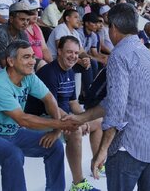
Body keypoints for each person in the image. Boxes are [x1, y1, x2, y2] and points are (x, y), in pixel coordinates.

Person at [63, 3, 150, 190]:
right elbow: (117, 99)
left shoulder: (119, 55)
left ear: (113, 27)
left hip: (130, 147)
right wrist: (81, 118)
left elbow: (116, 106)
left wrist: (103, 149)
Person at [0, 40, 79, 191]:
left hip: (12, 132)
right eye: (26, 57)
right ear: (11, 61)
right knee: (13, 154)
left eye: (33, 56)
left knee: (55, 146)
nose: (32, 61)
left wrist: (56, 131)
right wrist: (60, 124)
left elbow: (49, 99)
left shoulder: (29, 77)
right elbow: (23, 119)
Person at [25, 36, 102, 191]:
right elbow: (51, 108)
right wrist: (77, 121)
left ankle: (98, 163)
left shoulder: (70, 71)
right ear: (59, 51)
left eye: (76, 53)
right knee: (75, 130)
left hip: (61, 116)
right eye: (69, 52)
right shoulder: (49, 72)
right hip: (40, 120)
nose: (73, 56)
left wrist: (84, 118)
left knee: (98, 120)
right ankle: (78, 184)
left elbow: (73, 103)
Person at [46, 9, 95, 99]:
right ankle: (89, 97)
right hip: (56, 60)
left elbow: (81, 51)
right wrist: (80, 61)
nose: (78, 20)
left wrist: (86, 58)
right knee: (85, 66)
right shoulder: (61, 28)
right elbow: (61, 52)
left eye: (79, 17)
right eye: (75, 17)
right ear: (67, 18)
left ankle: (89, 94)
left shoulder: (75, 33)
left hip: (69, 59)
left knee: (92, 62)